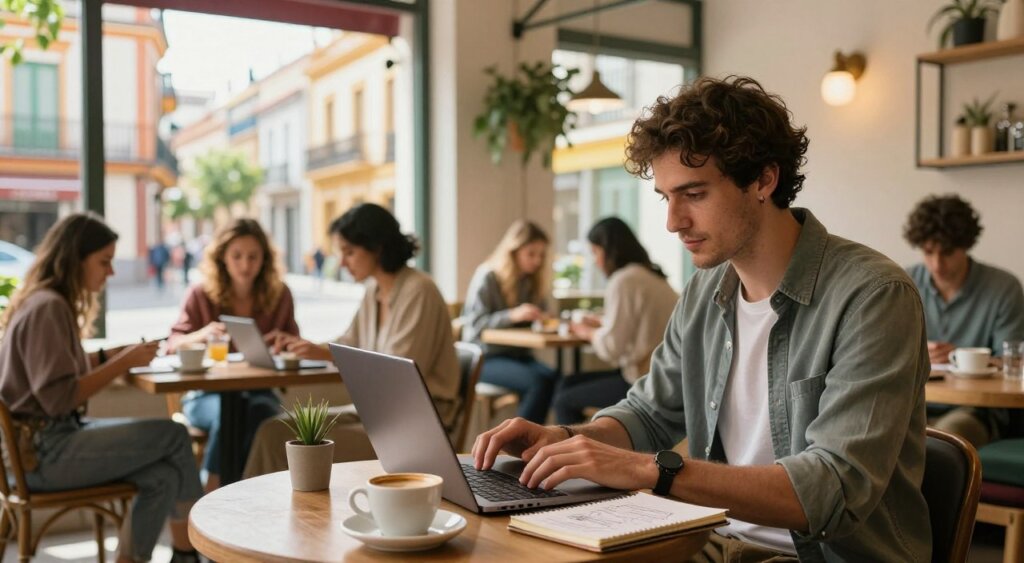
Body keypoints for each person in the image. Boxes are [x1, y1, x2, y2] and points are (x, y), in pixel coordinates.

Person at [472, 76, 931, 560]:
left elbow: (833, 487)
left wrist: (652, 470)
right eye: (666, 197)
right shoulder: (706, 290)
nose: (673, 221)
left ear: (763, 180)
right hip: (712, 541)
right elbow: (649, 414)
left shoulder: (874, 295)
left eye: (693, 194)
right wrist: (564, 439)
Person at [0, 213, 203, 563]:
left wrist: (113, 354)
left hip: (38, 446)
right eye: (104, 262)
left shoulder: (43, 301)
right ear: (73, 261)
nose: (110, 272)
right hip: (43, 453)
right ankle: (190, 553)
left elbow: (58, 370)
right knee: (174, 435)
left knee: (163, 475)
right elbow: (58, 397)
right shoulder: (49, 307)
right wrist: (122, 364)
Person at [244, 203, 460, 477]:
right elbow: (350, 342)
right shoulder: (374, 291)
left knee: (282, 441)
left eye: (350, 252)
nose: (342, 262)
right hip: (378, 415)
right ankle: (250, 517)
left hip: (415, 429)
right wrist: (302, 346)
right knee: (272, 429)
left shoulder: (419, 291)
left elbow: (397, 375)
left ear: (377, 247)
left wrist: (325, 354)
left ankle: (262, 517)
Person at [167, 218, 299, 491]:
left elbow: (294, 345)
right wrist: (201, 335)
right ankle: (220, 491)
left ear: (265, 259)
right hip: (204, 394)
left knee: (257, 412)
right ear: (222, 257)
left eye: (253, 256)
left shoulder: (280, 295)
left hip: (260, 392)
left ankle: (222, 492)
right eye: (237, 256)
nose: (245, 265)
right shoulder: (200, 294)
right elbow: (172, 344)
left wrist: (283, 344)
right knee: (232, 414)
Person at [903, 194, 1024, 446]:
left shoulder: (1003, 288)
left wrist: (966, 358)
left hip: (976, 410)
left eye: (947, 252)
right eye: (928, 252)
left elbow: (1013, 362)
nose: (937, 264)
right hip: (914, 403)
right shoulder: (903, 283)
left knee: (941, 441)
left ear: (966, 245)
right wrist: (917, 352)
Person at [552, 217, 678, 424]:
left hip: (642, 382)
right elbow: (637, 325)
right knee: (567, 382)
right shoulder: (651, 276)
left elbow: (612, 348)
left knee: (563, 400)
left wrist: (586, 331)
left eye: (595, 252)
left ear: (607, 250)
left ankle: (570, 454)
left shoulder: (623, 280)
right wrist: (602, 323)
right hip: (663, 377)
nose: (595, 260)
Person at [462, 220, 558, 424]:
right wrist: (512, 315)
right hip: (485, 358)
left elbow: (539, 318)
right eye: (531, 253)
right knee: (539, 383)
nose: (537, 261)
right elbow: (476, 326)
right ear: (513, 251)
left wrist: (541, 318)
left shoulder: (531, 281)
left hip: (518, 356)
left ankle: (532, 442)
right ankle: (519, 443)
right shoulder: (488, 276)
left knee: (556, 378)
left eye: (541, 255)